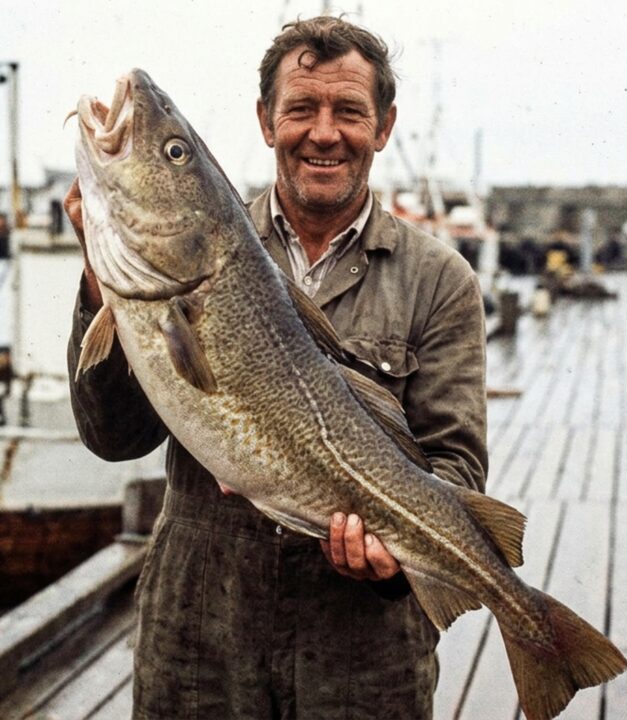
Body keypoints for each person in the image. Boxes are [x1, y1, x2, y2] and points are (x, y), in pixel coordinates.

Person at [65, 16, 488, 719]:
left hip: (362, 665)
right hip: (199, 647)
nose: (324, 132)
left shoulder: (440, 280)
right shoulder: (187, 258)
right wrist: (98, 278)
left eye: (349, 111)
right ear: (266, 121)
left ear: (383, 127)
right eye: (301, 109)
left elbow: (456, 466)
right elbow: (113, 438)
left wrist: (390, 564)